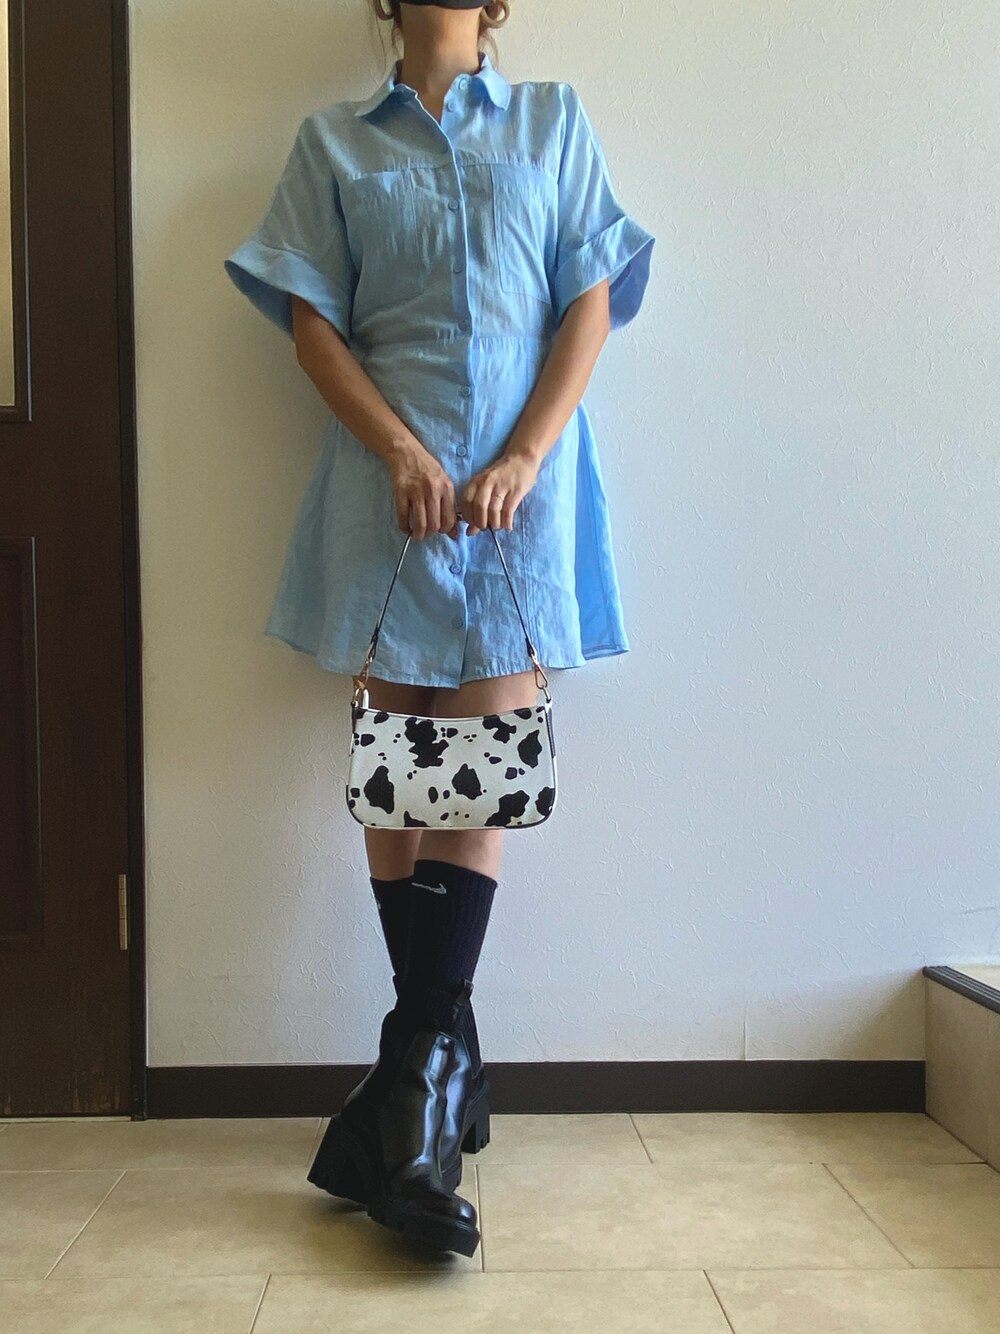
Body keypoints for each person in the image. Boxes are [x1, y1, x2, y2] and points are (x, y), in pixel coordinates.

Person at [223, 0, 654, 1258]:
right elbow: (313, 323)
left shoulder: (551, 122)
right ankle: (433, 1076)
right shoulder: (333, 142)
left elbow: (587, 300)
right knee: (397, 765)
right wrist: (402, 449)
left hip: (517, 497)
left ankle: (408, 1085)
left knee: (481, 760)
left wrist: (525, 450)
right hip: (389, 494)